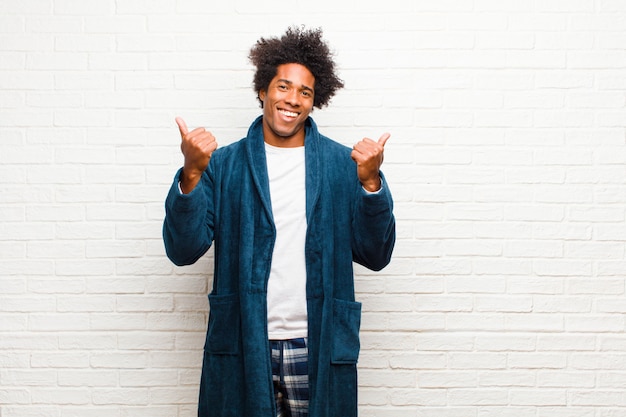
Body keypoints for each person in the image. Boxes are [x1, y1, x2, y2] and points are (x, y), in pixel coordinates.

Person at [163, 26, 396, 417]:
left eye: (304, 92)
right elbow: (183, 250)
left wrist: (372, 183)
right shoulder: (223, 165)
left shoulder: (343, 166)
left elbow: (376, 254)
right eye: (283, 87)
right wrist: (191, 174)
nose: (292, 100)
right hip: (244, 339)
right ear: (263, 90)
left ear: (314, 101)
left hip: (316, 342)